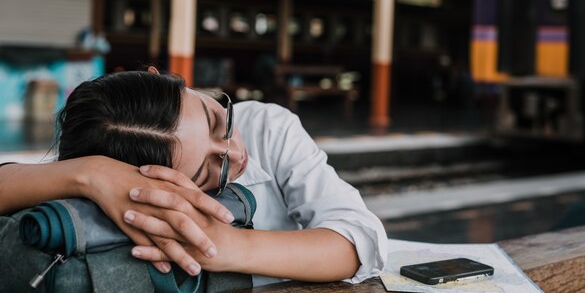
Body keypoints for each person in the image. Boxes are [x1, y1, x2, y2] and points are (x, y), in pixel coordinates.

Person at [0, 68, 387, 287]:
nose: (236, 153)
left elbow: (361, 240)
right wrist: (87, 175)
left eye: (217, 120)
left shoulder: (267, 128)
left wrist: (228, 246)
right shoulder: (108, 183)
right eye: (205, 172)